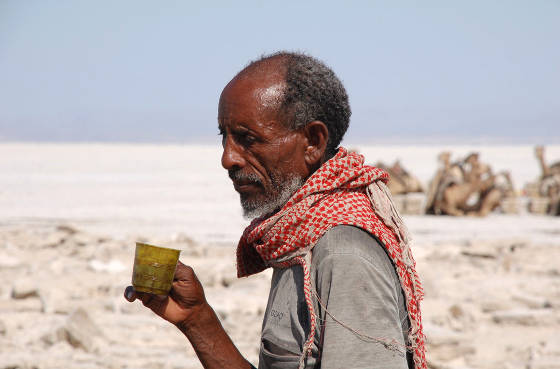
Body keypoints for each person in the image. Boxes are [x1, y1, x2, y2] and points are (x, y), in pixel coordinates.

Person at [124, 52, 426, 369]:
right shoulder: (299, 235)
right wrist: (197, 319)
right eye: (224, 137)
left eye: (247, 139)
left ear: (312, 141)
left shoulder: (342, 253)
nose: (228, 158)